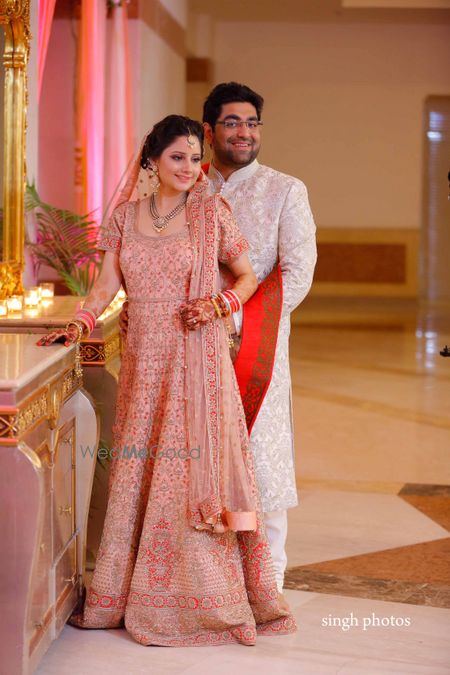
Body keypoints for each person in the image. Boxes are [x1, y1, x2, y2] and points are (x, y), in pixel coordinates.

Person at [36, 115, 296, 647]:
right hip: (144, 363)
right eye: (178, 157)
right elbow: (107, 284)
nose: (189, 167)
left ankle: (203, 599)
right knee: (143, 469)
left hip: (196, 361)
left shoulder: (211, 215)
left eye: (196, 157)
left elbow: (247, 277)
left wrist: (219, 303)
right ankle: (126, 593)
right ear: (151, 161)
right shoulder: (125, 218)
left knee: (188, 475)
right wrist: (80, 323)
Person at [120, 84, 317, 602]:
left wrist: (233, 322)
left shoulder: (284, 190)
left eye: (252, 123)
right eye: (232, 123)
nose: (245, 132)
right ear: (209, 132)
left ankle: (268, 575)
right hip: (186, 347)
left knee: (259, 454)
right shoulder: (187, 182)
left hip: (259, 346)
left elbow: (296, 273)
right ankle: (202, 576)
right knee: (191, 458)